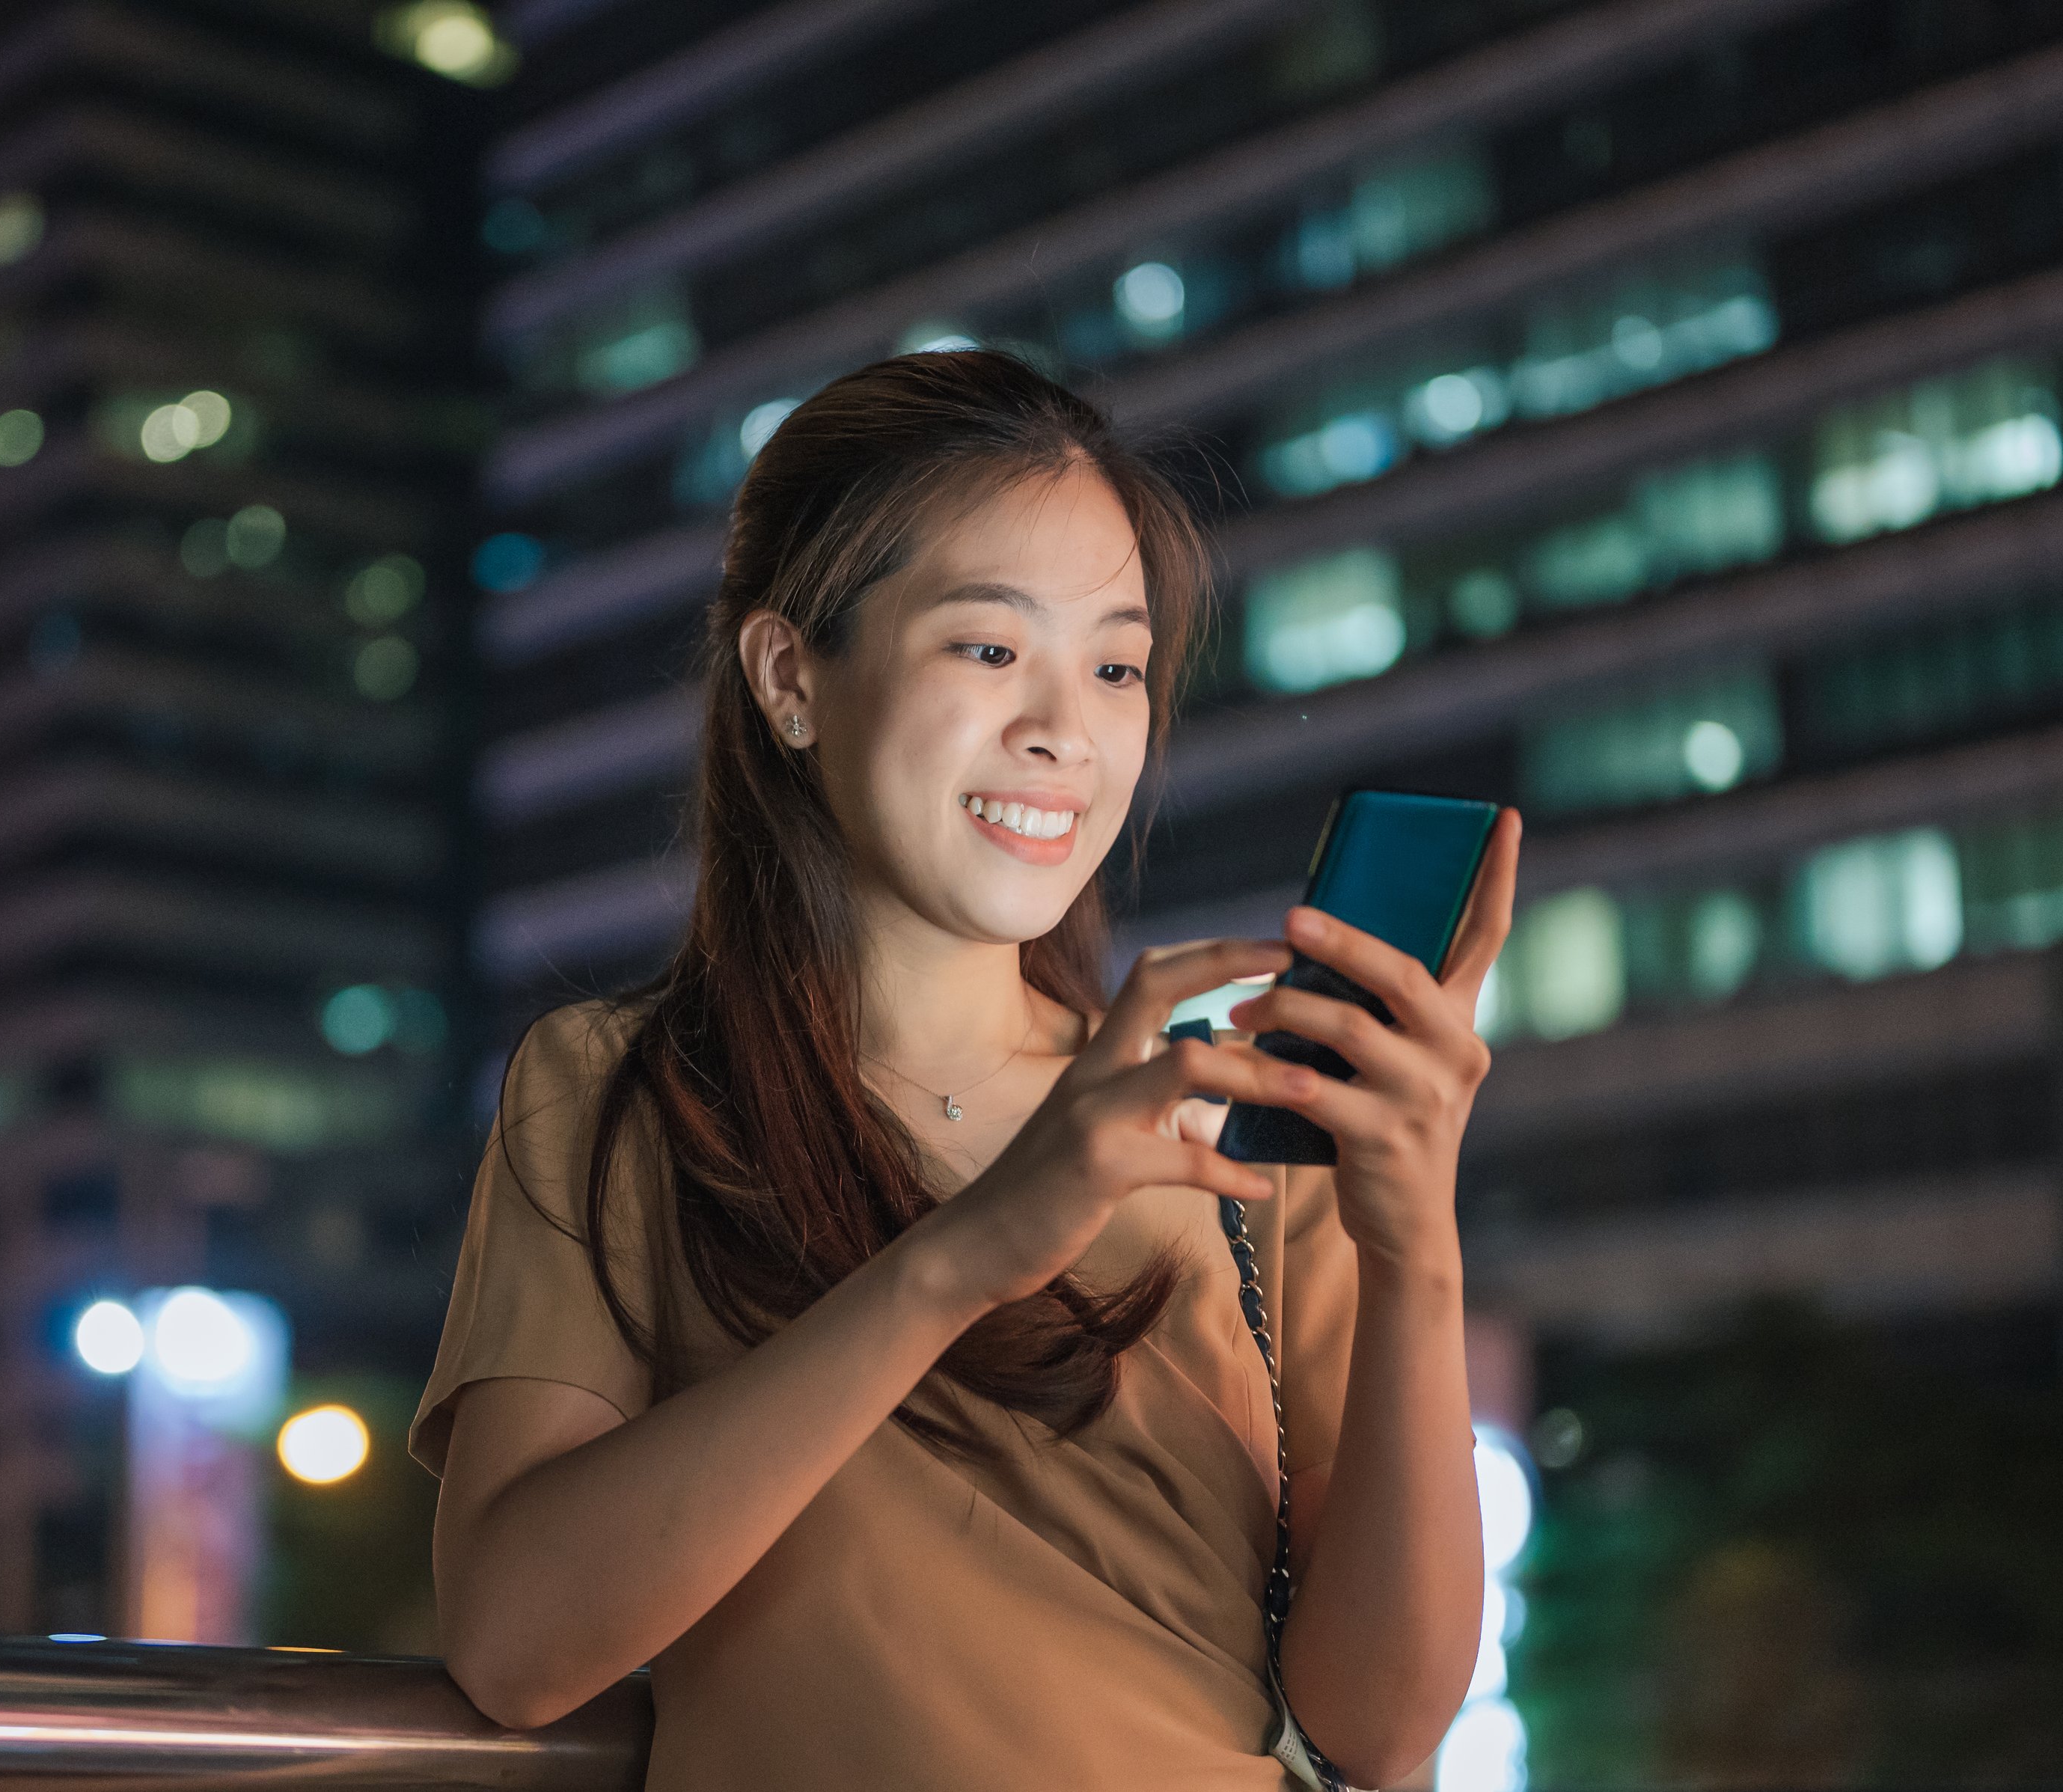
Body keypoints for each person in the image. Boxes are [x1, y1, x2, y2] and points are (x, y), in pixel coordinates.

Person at [412, 349, 1518, 1788]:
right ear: (792, 678)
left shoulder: (1235, 1122)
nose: (1064, 727)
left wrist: (1414, 1234)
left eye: (1116, 665)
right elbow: (517, 1641)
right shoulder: (621, 1090)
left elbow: (1382, 1725)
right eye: (990, 648)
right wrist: (965, 1256)